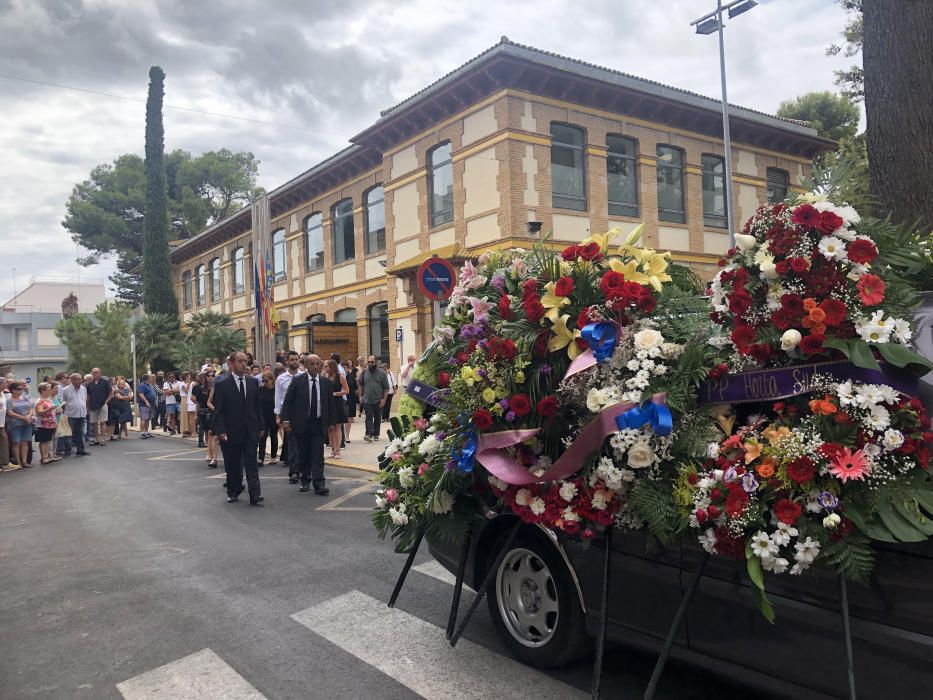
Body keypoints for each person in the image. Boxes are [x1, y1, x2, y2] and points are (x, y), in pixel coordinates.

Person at [212, 352, 263, 505]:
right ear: (232, 364)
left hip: (250, 430)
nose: (243, 364)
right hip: (231, 431)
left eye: (245, 361)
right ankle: (233, 491)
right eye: (240, 361)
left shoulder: (253, 382)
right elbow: (218, 411)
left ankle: (255, 494)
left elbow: (257, 407)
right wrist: (220, 431)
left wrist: (261, 426)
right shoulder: (222, 384)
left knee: (251, 464)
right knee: (233, 464)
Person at [281, 354, 335, 495]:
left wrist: (331, 423)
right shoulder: (298, 381)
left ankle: (319, 484)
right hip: (301, 424)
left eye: (318, 364)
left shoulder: (325, 382)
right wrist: (285, 419)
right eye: (312, 364)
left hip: (318, 423)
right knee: (304, 454)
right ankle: (305, 480)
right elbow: (288, 401)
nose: (316, 367)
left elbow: (330, 404)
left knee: (318, 455)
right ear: (305, 365)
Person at [274, 350, 303, 483]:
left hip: (302, 414)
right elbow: (278, 398)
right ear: (287, 361)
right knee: (292, 443)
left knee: (303, 443)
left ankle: (303, 469)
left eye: (296, 359)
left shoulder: (303, 376)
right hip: (288, 415)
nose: (294, 362)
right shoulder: (281, 379)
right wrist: (278, 415)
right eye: (291, 360)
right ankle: (294, 472)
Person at [359, 355, 389, 442]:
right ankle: (369, 434)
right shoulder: (364, 372)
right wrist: (360, 396)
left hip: (378, 399)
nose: (370, 364)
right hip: (367, 399)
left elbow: (386, 388)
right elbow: (360, 384)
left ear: (376, 362)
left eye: (372, 362)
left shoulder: (382, 373)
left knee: (377, 417)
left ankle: (376, 434)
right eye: (369, 362)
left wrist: (384, 400)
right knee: (368, 417)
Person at [323, 359, 349, 459]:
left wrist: (335, 394)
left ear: (332, 367)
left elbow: (347, 390)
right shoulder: (325, 377)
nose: (325, 368)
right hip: (328, 404)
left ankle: (338, 450)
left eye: (326, 366)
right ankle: (333, 449)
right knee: (330, 428)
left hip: (337, 403)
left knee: (337, 427)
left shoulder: (340, 377)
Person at [6, 382, 34, 467]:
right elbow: (9, 412)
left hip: (27, 423)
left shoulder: (25, 398)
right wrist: (22, 417)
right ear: (13, 390)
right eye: (18, 389)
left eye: (21, 389)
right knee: (16, 442)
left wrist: (29, 415)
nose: (20, 391)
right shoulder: (9, 400)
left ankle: (24, 461)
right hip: (15, 424)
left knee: (25, 442)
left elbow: (31, 407)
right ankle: (18, 462)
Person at [61, 373, 90, 456]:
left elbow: (85, 400)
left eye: (80, 379)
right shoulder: (65, 390)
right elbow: (63, 402)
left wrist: (86, 409)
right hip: (70, 414)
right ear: (72, 380)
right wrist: (64, 413)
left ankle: (80, 450)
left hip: (81, 414)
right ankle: (68, 451)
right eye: (77, 379)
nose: (79, 381)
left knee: (81, 433)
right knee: (69, 433)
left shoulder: (83, 389)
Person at [193, 371, 216, 465]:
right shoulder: (201, 389)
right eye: (208, 376)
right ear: (205, 377)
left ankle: (211, 454)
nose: (210, 377)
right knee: (207, 433)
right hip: (203, 412)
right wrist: (195, 415)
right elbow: (197, 403)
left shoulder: (217, 388)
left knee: (211, 432)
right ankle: (209, 453)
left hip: (213, 412)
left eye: (212, 376)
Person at [34, 383, 61, 464]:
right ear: (42, 391)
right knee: (43, 441)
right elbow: (39, 412)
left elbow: (52, 412)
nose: (50, 391)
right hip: (42, 424)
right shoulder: (39, 401)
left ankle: (47, 456)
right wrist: (49, 409)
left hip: (50, 423)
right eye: (48, 390)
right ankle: (44, 457)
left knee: (48, 440)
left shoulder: (48, 400)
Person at [86, 368, 112, 446]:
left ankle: (103, 439)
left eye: (96, 372)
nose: (95, 374)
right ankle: (97, 439)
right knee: (94, 423)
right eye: (93, 372)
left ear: (100, 373)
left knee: (102, 422)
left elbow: (111, 393)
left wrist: (106, 402)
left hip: (102, 404)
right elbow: (88, 396)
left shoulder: (105, 382)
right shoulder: (90, 384)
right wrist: (87, 406)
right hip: (93, 405)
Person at [257, 370, 278, 465]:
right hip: (263, 416)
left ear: (272, 380)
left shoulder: (276, 390)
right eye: (263, 381)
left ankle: (273, 457)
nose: (264, 383)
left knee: (274, 435)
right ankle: (261, 458)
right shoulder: (260, 390)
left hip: (273, 415)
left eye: (266, 381)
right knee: (263, 436)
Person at [343, 360, 358, 444]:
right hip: (341, 399)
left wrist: (360, 397)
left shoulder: (351, 377)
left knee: (349, 418)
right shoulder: (338, 377)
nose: (344, 369)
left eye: (345, 367)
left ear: (348, 369)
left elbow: (355, 388)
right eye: (342, 367)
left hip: (350, 399)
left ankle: (347, 436)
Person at [136, 374, 155, 439]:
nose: (151, 379)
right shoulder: (142, 385)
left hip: (150, 405)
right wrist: (146, 401)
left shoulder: (149, 385)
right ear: (147, 378)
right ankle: (142, 433)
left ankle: (146, 432)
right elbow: (141, 394)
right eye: (150, 378)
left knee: (147, 419)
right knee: (143, 419)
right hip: (144, 405)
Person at [0, 377, 9, 470]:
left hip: (2, 421)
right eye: (5, 383)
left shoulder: (2, 393)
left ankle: (5, 463)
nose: (7, 384)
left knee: (4, 440)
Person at [179, 371, 191, 437]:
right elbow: (186, 391)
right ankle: (184, 431)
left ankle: (188, 430)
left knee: (188, 415)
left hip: (188, 399)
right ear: (186, 376)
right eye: (189, 376)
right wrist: (189, 383)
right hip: (184, 399)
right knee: (184, 415)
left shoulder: (187, 383)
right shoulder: (182, 383)